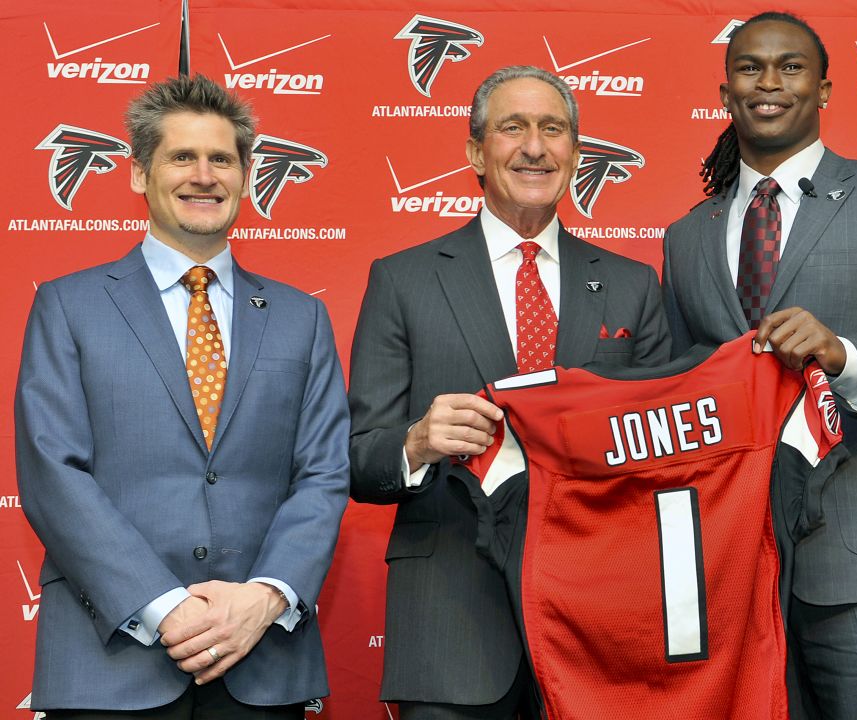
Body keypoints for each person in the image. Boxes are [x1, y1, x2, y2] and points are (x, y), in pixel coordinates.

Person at [662, 12, 857, 719]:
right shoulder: (687, 236)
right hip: (734, 571)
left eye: (791, 66)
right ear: (724, 91)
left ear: (826, 88)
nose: (769, 82)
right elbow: (680, 396)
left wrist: (846, 357)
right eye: (749, 68)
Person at [15, 74, 350, 718]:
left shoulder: (300, 317)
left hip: (262, 659)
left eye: (222, 158)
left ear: (247, 175)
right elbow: (52, 472)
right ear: (140, 174)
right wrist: (165, 608)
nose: (204, 175)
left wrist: (266, 598)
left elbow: (325, 473)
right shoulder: (67, 305)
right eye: (181, 157)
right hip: (110, 661)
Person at [347, 65, 670, 719]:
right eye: (512, 128)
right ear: (475, 152)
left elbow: (664, 458)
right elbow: (357, 461)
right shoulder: (402, 280)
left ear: (575, 155)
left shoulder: (634, 284)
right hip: (451, 630)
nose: (534, 147)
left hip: (600, 631)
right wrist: (414, 443)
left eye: (553, 130)